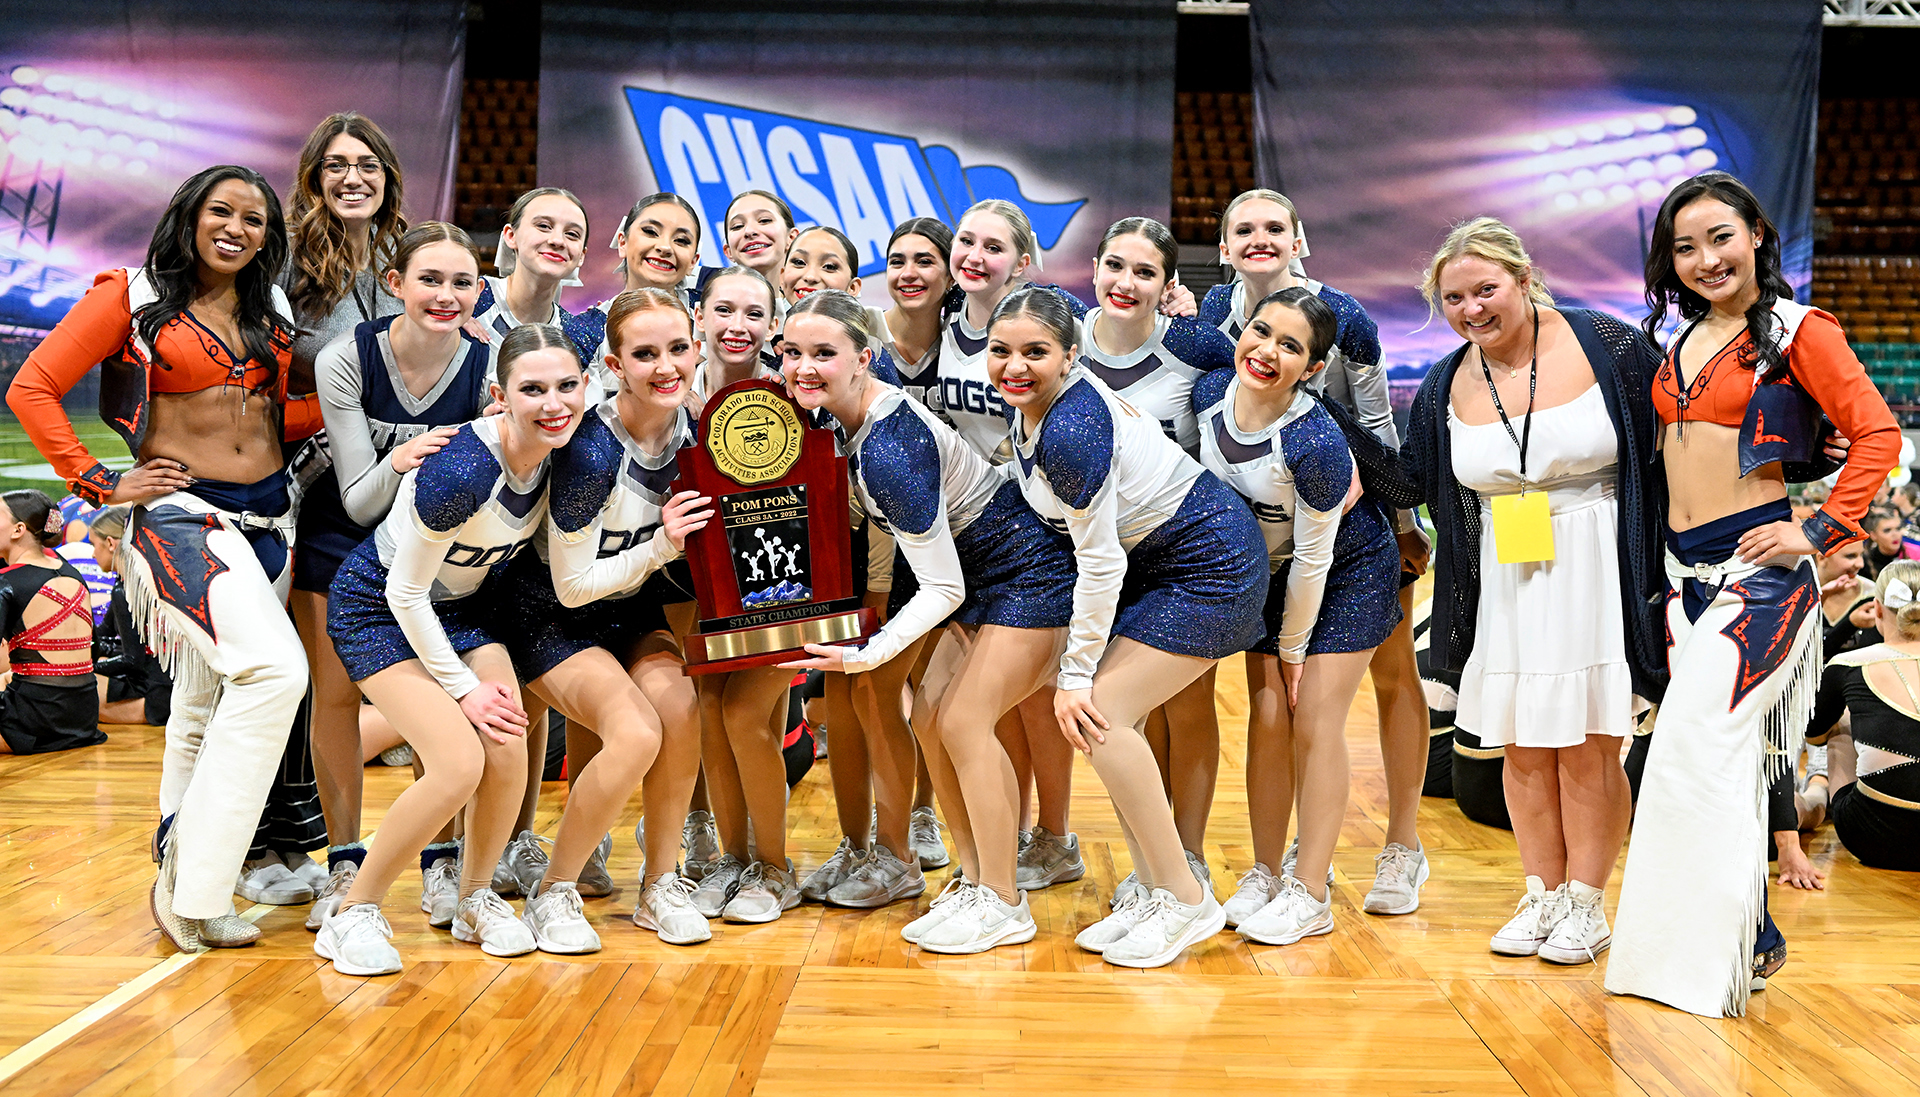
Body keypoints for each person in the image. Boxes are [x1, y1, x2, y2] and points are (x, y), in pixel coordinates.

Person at [1608, 172, 1900, 1017]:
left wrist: (1818, 532)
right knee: (1699, 765)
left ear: (1758, 236)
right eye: (1686, 247)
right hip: (1680, 581)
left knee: (1693, 759)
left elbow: (1877, 432)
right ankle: (1750, 938)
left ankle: (1733, 946)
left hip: (1761, 578)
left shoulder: (1798, 329)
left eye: (1720, 238)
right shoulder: (1678, 339)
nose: (1706, 259)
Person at [9, 165, 321, 952]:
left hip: (272, 515)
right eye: (222, 211)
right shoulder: (131, 295)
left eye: (255, 220)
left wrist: (379, 395)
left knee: (201, 704)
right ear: (189, 214)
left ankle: (185, 864)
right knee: (278, 672)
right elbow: (33, 386)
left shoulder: (272, 305)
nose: (237, 228)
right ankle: (193, 885)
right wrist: (99, 479)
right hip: (183, 515)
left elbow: (276, 416)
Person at [1405, 218, 1667, 968]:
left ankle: (1588, 901)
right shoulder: (1443, 382)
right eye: (1454, 297)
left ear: (1524, 279)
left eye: (1485, 289)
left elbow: (1674, 438)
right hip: (1507, 568)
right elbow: (1418, 478)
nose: (1472, 308)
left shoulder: (1608, 345)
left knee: (1588, 741)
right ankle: (1542, 891)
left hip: (1599, 555)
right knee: (1520, 741)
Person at [779, 291, 1075, 939]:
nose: (804, 366)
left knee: (964, 719)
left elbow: (940, 585)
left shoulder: (888, 444)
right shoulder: (836, 422)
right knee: (939, 720)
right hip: (978, 579)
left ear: (864, 358)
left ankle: (1004, 901)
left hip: (1025, 573)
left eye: (823, 353)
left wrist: (868, 652)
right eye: (792, 352)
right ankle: (975, 877)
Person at [992, 287, 1265, 968]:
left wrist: (1075, 671)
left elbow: (1101, 558)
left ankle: (1185, 896)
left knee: (1099, 713)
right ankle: (1154, 885)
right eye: (1001, 350)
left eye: (1035, 352)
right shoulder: (1035, 411)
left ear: (1070, 355)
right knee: (1112, 723)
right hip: (1168, 567)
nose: (1014, 365)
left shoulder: (1072, 428)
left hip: (1212, 567)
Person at [315, 323, 585, 975]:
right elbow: (406, 593)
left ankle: (474, 896)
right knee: (458, 761)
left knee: (508, 736)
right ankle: (352, 911)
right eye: (533, 388)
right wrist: (463, 689)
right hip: (381, 604)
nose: (554, 402)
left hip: (462, 606)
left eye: (567, 386)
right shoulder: (463, 467)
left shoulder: (570, 447)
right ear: (499, 395)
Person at [1202, 187, 1435, 916]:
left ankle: (1401, 843)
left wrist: (1401, 522)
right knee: (1277, 708)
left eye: (1276, 226)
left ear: (1299, 240)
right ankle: (1281, 866)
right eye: (1245, 228)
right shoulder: (1215, 317)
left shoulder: (1349, 318)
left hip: (1358, 527)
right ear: (1225, 247)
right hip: (1272, 536)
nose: (1260, 238)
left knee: (1391, 675)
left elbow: (1375, 423)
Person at [501, 288, 711, 947]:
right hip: (550, 614)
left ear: (697, 350)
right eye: (645, 354)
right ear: (614, 367)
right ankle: (555, 891)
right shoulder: (592, 448)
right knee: (635, 733)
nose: (666, 365)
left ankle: (659, 883)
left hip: (631, 609)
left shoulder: (701, 432)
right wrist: (664, 544)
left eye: (678, 348)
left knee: (679, 707)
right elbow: (573, 586)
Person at [1194, 287, 1401, 945]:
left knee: (1311, 712)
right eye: (1261, 331)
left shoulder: (1314, 440)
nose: (1267, 350)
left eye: (1291, 346)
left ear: (1312, 369)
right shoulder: (1207, 399)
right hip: (1272, 570)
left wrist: (1291, 652)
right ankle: (1264, 871)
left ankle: (1310, 889)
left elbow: (1315, 564)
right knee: (1266, 712)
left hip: (1344, 569)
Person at [303, 222, 493, 929]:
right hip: (339, 534)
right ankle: (344, 859)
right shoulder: (345, 357)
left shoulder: (487, 361)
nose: (446, 295)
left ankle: (440, 859)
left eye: (462, 282)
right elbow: (359, 498)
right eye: (430, 280)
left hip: (432, 545)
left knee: (435, 694)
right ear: (395, 285)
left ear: (479, 290)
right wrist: (421, 450)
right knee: (334, 696)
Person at [1078, 216, 1236, 902]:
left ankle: (1191, 857)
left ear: (1168, 286)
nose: (1126, 282)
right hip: (1094, 556)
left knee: (1189, 705)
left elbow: (1261, 399)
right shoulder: (1063, 336)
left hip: (1181, 554)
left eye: (1145, 272)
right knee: (1120, 720)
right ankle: (1149, 864)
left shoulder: (1197, 345)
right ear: (1094, 268)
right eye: (1116, 266)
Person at [1809, 560, 1920, 872]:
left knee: (1840, 725)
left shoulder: (1848, 664)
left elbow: (1814, 734)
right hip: (1878, 833)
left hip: (1875, 835)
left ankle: (1814, 796)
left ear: (1878, 608)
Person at [0, 489, 104, 755]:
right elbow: (95, 649)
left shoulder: (8, 583)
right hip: (83, 716)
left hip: (32, 721)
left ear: (18, 530)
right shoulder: (71, 571)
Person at [571, 193, 703, 397]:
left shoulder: (715, 315)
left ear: (693, 261)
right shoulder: (587, 330)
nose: (665, 247)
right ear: (622, 242)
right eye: (651, 232)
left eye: (681, 240)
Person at [86, 506, 173, 728]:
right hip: (171, 682)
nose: (93, 554)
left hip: (156, 694)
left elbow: (132, 660)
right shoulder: (137, 580)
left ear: (110, 543)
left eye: (94, 545)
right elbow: (104, 634)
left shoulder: (125, 591)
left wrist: (83, 667)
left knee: (82, 688)